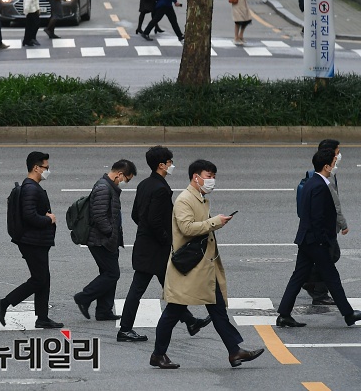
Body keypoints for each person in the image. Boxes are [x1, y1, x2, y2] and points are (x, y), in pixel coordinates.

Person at [150, 160, 265, 369]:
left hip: (203, 267)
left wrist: (216, 222)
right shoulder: (185, 199)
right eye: (208, 176)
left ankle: (234, 351)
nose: (212, 180)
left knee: (218, 310)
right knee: (173, 312)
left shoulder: (201, 199)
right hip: (190, 268)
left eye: (213, 176)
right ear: (196, 177)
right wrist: (215, 222)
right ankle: (158, 354)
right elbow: (186, 228)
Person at [117, 147, 211, 342]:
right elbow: (155, 220)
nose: (171, 165)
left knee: (169, 286)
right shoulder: (161, 189)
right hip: (155, 249)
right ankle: (125, 329)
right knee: (139, 289)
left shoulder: (144, 184)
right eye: (169, 162)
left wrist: (147, 231)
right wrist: (166, 239)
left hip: (145, 245)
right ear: (161, 165)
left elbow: (136, 215)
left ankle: (190, 321)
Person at [277, 149, 361, 328]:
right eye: (333, 163)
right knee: (332, 276)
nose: (335, 166)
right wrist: (324, 240)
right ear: (326, 166)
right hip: (316, 241)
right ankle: (348, 314)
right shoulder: (320, 186)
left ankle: (284, 314)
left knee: (298, 277)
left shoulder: (311, 182)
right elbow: (318, 217)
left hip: (306, 239)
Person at [0, 151, 64, 330]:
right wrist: (49, 219)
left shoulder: (32, 186)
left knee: (43, 278)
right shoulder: (31, 188)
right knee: (39, 279)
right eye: (46, 167)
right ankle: (4, 303)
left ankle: (42, 318)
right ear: (36, 168)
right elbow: (29, 216)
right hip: (32, 242)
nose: (48, 170)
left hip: (37, 240)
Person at [74, 160, 137, 322]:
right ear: (119, 174)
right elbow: (100, 216)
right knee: (112, 274)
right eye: (127, 179)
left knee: (107, 273)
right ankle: (83, 297)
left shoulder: (109, 186)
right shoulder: (104, 188)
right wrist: (110, 232)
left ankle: (104, 310)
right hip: (101, 240)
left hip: (107, 240)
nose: (126, 183)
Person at [300, 139, 347, 305]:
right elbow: (334, 204)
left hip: (321, 227)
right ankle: (317, 289)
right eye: (337, 153)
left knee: (330, 256)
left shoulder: (324, 174)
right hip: (324, 228)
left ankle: (309, 282)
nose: (339, 156)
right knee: (328, 257)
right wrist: (342, 224)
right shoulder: (325, 177)